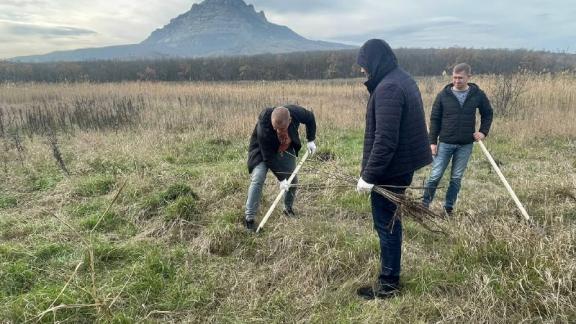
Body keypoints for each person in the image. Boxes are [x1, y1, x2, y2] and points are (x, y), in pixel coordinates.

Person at [355, 39, 432, 299]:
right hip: (400, 165)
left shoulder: (388, 88)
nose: (362, 71)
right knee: (391, 221)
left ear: (374, 62)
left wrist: (368, 176)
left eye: (364, 65)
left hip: (391, 170)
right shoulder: (401, 78)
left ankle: (388, 283)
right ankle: (391, 275)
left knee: (386, 224)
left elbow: (385, 141)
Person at [422, 63, 493, 215]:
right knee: (435, 176)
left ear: (469, 77)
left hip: (465, 144)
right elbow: (434, 119)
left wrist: (483, 132)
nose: (457, 80)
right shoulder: (443, 95)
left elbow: (488, 113)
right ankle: (424, 206)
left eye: (460, 78)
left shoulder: (477, 94)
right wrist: (432, 142)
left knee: (456, 178)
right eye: (454, 77)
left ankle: (448, 209)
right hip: (445, 143)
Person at [244, 105, 317, 231]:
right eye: (275, 128)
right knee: (258, 178)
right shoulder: (264, 125)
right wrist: (281, 179)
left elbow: (310, 118)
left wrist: (311, 139)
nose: (278, 131)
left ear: (290, 120)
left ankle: (287, 209)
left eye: (282, 128)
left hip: (285, 148)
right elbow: (268, 157)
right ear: (272, 122)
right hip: (262, 152)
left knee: (292, 180)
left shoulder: (295, 112)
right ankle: (249, 219)